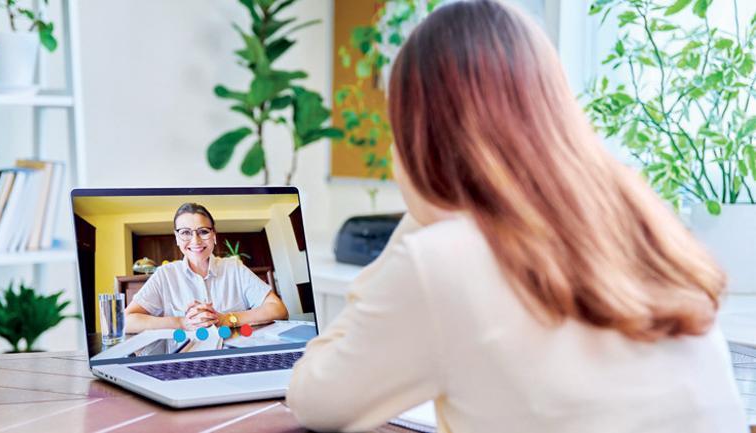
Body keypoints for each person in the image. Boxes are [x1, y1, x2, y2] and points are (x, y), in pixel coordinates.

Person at [286, 1, 746, 432]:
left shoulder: (443, 259)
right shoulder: (642, 225)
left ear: (421, 138)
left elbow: (315, 398)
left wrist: (423, 218)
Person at [124, 202, 288, 333]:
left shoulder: (234, 268)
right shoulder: (165, 274)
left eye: (203, 231)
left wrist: (227, 319)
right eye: (186, 232)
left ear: (214, 235)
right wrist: (182, 322)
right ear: (177, 238)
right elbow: (126, 321)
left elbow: (277, 308)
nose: (195, 240)